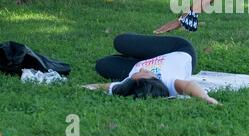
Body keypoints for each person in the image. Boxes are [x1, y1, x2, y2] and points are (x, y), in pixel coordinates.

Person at [82, 33, 220, 105]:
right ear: (155, 78)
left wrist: (81, 87)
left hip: (143, 60)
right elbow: (189, 85)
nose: (141, 70)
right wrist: (206, 98)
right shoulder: (169, 81)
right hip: (177, 50)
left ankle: (133, 56)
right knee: (120, 41)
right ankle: (134, 53)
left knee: (102, 65)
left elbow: (101, 86)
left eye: (135, 75)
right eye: (145, 73)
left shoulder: (128, 85)